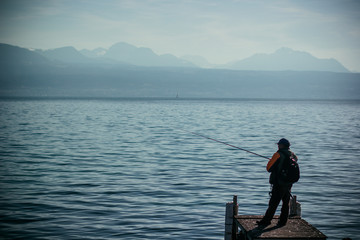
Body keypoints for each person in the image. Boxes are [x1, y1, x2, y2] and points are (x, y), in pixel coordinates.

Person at [257, 138, 298, 227]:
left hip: (279, 183)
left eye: (279, 144)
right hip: (289, 183)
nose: (278, 146)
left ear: (282, 145)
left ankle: (266, 221)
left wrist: (272, 161)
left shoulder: (277, 154)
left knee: (273, 203)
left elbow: (269, 168)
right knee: (285, 202)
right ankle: (283, 221)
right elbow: (293, 162)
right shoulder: (292, 154)